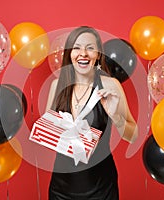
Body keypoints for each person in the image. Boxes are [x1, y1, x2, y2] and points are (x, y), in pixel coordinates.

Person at [45, 26, 138, 200]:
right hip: (61, 187)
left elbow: (133, 136)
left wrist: (116, 117)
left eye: (90, 48)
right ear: (69, 53)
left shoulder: (110, 85)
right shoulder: (56, 86)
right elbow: (49, 135)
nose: (83, 53)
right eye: (77, 47)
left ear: (98, 55)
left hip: (101, 187)